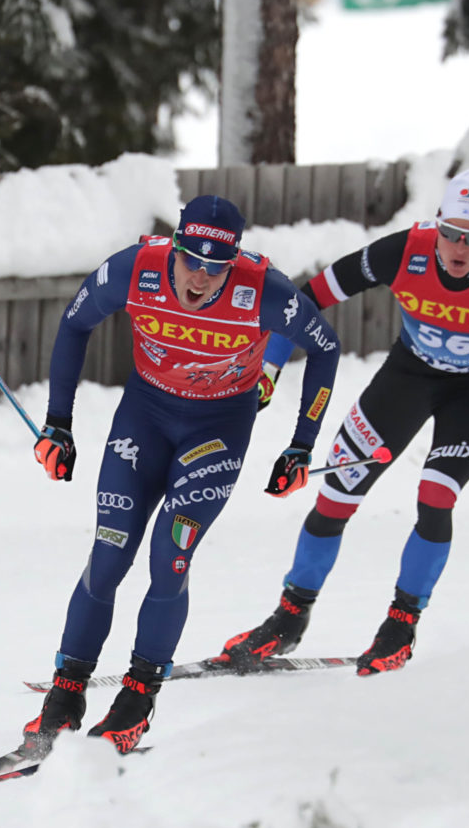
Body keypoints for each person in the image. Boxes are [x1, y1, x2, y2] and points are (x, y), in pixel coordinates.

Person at [218, 168, 469, 677]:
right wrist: (268, 365)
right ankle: (289, 616)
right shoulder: (404, 250)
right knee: (338, 491)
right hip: (407, 377)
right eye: (450, 231)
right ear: (437, 223)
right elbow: (306, 299)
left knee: (436, 495)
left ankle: (401, 624)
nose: (458, 246)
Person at [23, 195, 340, 756]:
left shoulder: (262, 289)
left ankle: (138, 697)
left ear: (233, 262)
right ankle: (66, 692)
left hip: (217, 428)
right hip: (144, 418)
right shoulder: (134, 268)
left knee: (171, 551)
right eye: (191, 259)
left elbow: (325, 347)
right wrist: (57, 426)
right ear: (174, 249)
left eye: (216, 266)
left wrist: (300, 447)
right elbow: (75, 326)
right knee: (109, 550)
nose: (200, 277)